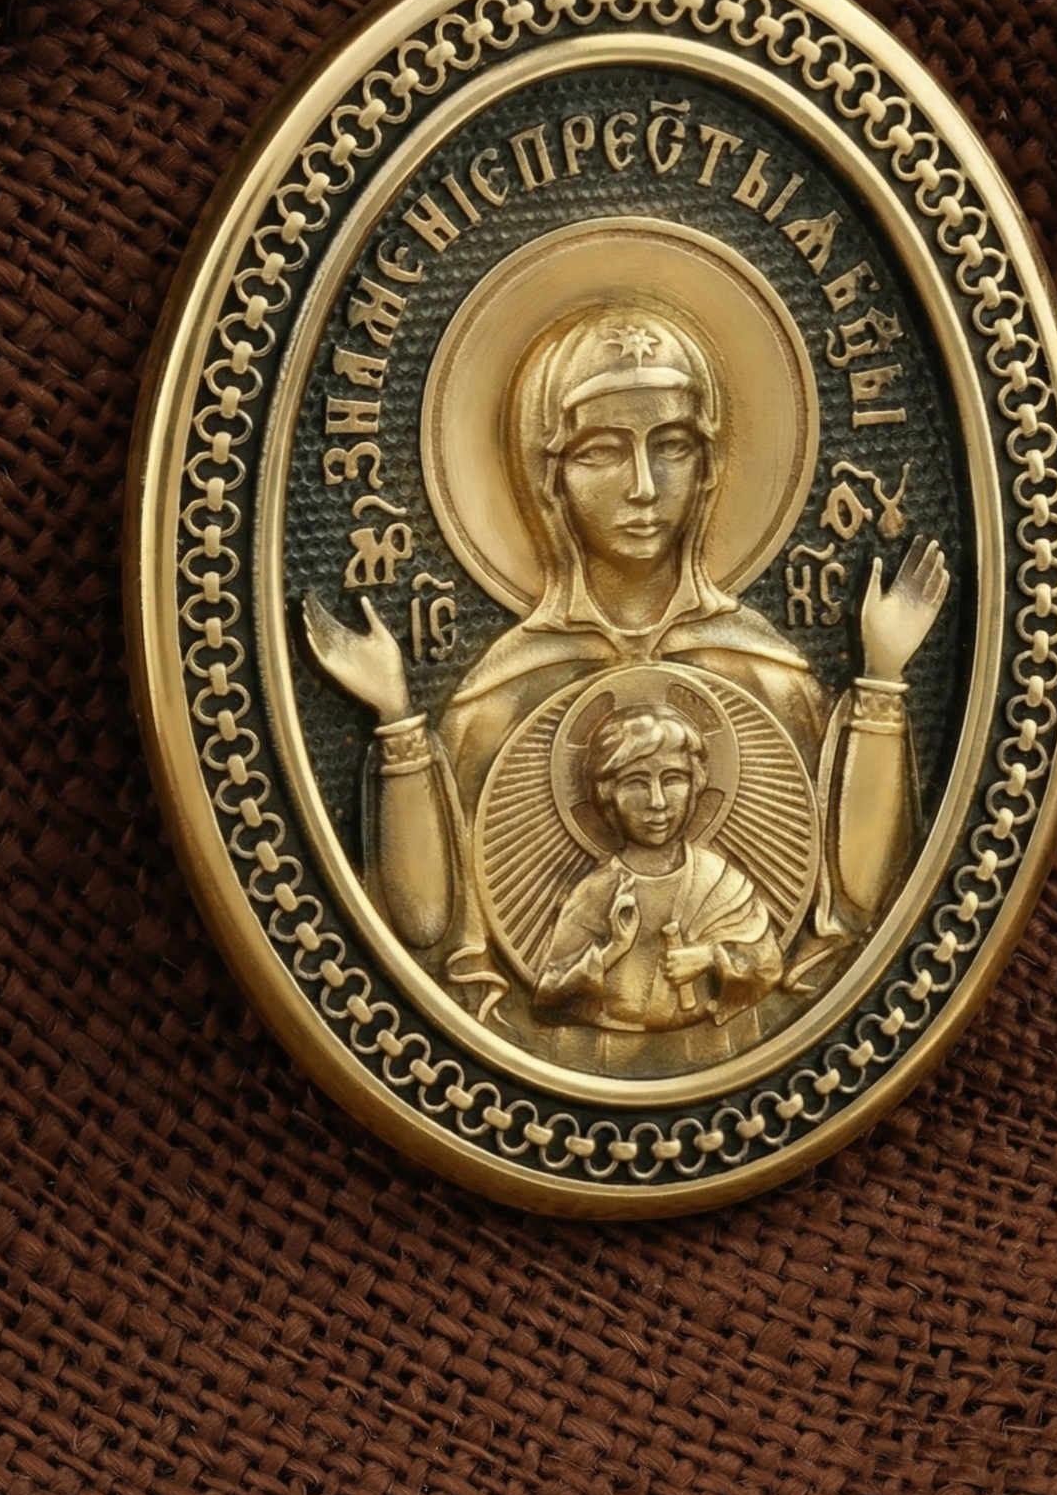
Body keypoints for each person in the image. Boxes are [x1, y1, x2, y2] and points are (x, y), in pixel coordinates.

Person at [304, 302, 947, 1031]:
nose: (643, 485)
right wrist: (395, 718)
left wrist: (884, 676)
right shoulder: (498, 695)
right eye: (602, 452)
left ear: (709, 467)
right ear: (549, 478)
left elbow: (858, 905)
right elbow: (430, 930)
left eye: (671, 446)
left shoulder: (769, 672)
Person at [532, 693, 783, 1034]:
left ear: (696, 784)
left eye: (673, 779)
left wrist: (711, 958)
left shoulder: (722, 882)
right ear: (607, 794)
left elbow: (767, 967)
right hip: (607, 1050)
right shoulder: (595, 893)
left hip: (714, 1050)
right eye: (636, 783)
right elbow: (549, 1000)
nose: (657, 802)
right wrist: (612, 951)